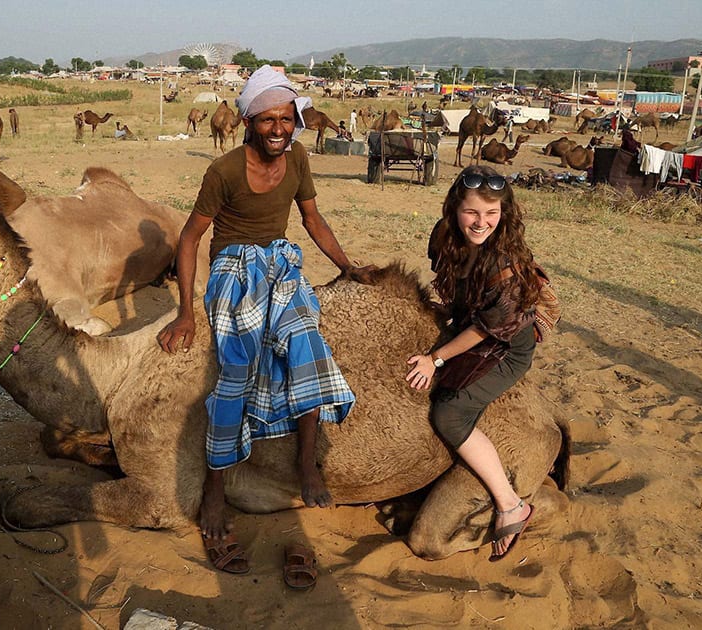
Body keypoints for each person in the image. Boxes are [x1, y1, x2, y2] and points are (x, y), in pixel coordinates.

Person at [157, 65, 375, 570]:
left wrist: (347, 267)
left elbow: (312, 219)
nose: (278, 129)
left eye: (286, 118)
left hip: (278, 261)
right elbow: (190, 238)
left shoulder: (298, 155)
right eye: (267, 120)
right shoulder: (225, 172)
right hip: (233, 269)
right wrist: (186, 311)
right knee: (236, 372)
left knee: (308, 346)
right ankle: (215, 489)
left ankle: (305, 464)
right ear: (248, 121)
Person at [405, 164, 540, 562]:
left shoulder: (508, 266)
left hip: (505, 344)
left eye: (491, 214)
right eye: (472, 212)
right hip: (468, 321)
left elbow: (487, 328)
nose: (481, 223)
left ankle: (510, 503)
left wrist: (435, 358)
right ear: (455, 209)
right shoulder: (444, 236)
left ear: (504, 214)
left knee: (450, 414)